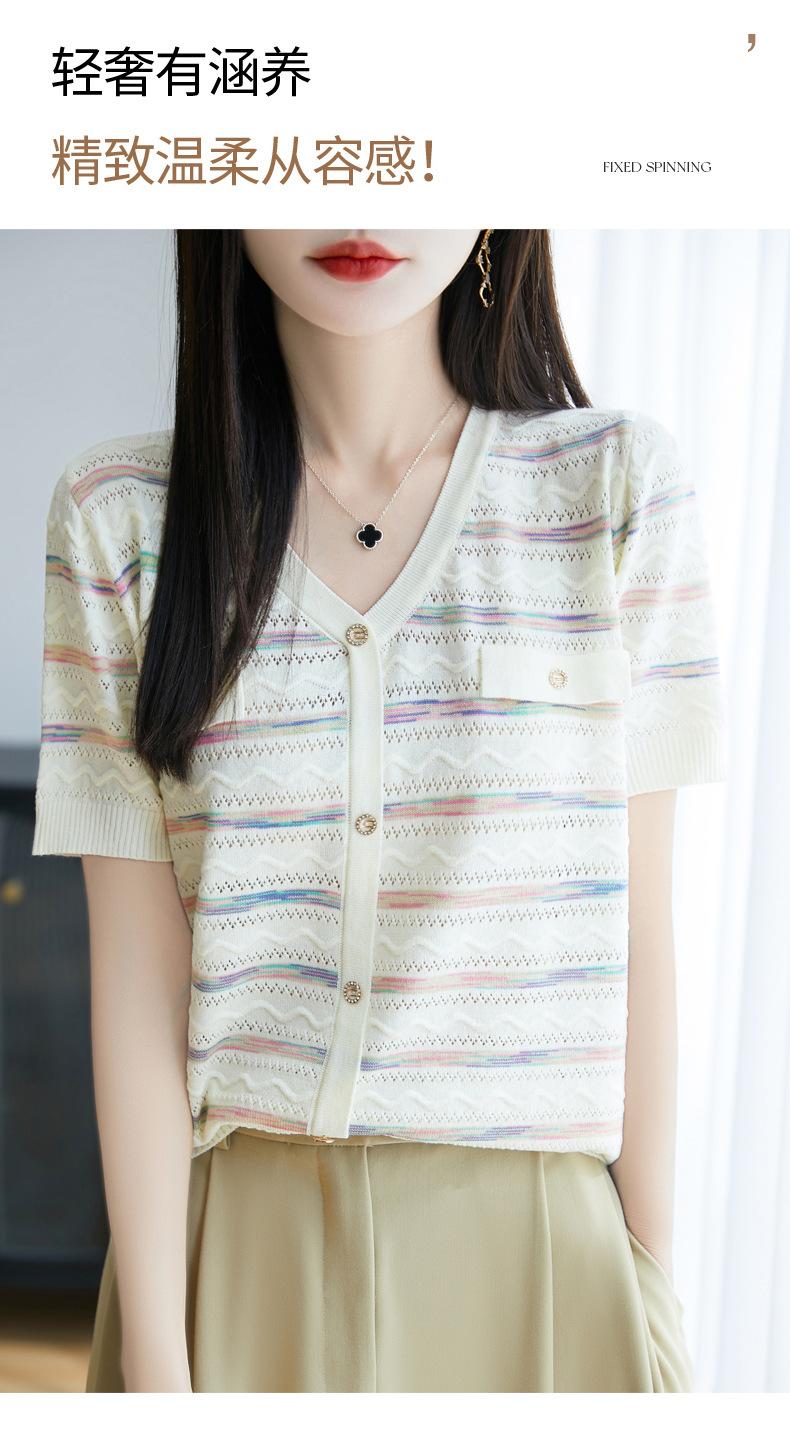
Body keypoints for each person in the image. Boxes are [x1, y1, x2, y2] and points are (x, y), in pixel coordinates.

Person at [31, 229, 727, 1392]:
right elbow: (139, 979)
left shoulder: (612, 488)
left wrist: (649, 1296)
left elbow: (638, 932)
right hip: (229, 1256)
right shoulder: (122, 519)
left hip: (545, 1267)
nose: (359, 196)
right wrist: (156, 1361)